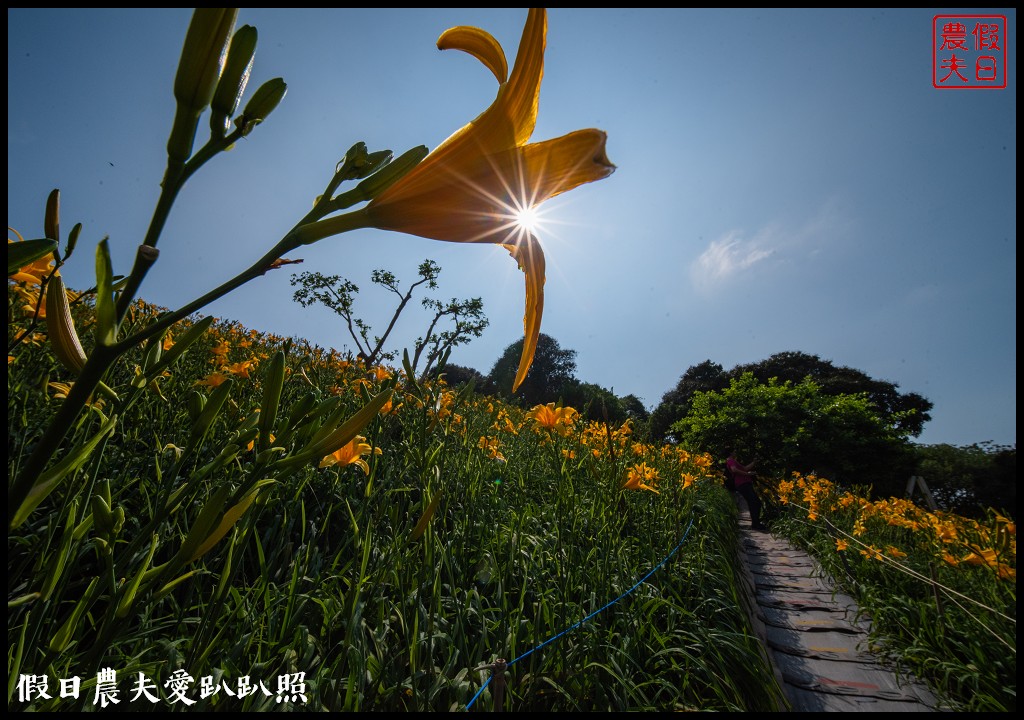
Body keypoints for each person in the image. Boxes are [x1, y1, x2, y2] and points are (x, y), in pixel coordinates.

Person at [726, 450, 767, 532]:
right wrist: (748, 474)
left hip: (745, 483)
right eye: (734, 451)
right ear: (731, 453)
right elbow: (734, 470)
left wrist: (754, 462)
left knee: (755, 503)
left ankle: (756, 523)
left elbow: (745, 468)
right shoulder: (730, 461)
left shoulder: (734, 461)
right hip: (742, 484)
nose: (735, 453)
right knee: (755, 502)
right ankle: (756, 524)